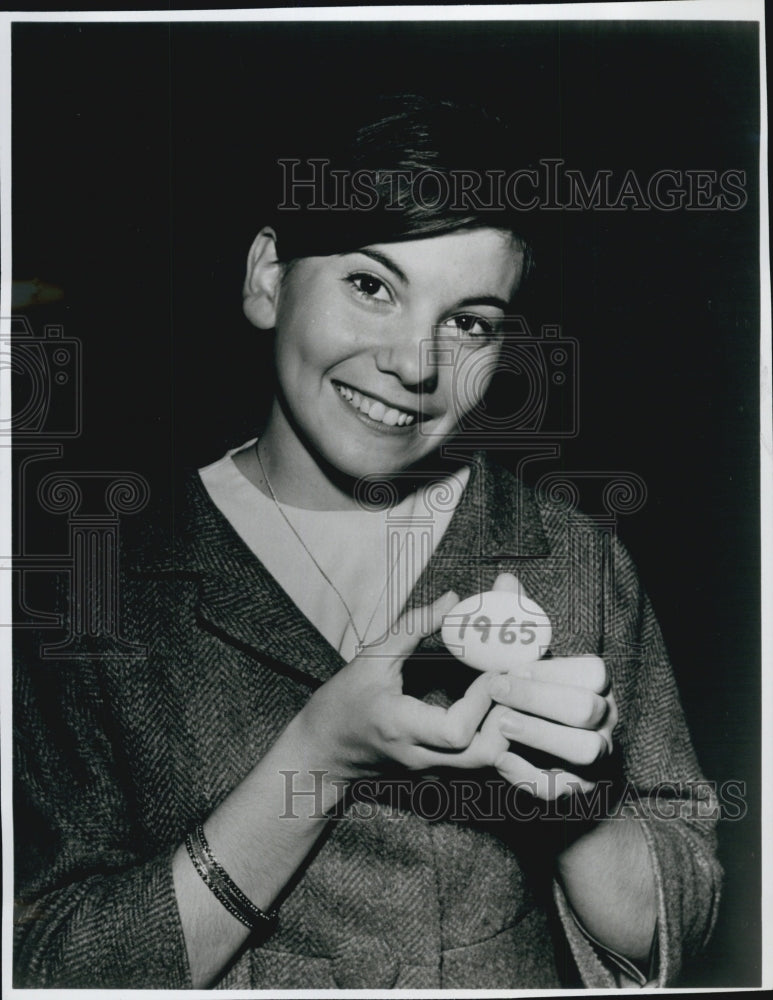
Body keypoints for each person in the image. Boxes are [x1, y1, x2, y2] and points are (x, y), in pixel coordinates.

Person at [13, 95, 722, 990]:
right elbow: (44, 965)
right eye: (370, 285)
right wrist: (319, 752)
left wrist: (574, 811)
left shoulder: (569, 556)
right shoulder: (96, 587)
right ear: (267, 278)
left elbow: (683, 906)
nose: (416, 364)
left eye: (469, 321)